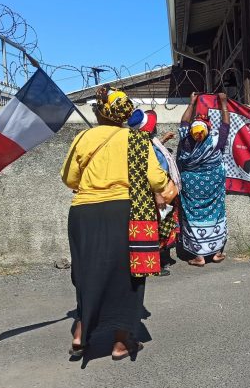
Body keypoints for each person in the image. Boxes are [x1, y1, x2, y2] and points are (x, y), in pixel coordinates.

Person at [61, 86, 174, 360]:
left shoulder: (82, 138)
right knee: (128, 277)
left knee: (87, 274)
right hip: (125, 212)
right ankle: (122, 344)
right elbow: (158, 180)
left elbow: (69, 179)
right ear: (124, 114)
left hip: (84, 213)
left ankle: (81, 333)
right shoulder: (136, 139)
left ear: (99, 112)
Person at [177, 92, 230, 267]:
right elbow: (225, 125)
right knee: (215, 212)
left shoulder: (186, 141)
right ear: (207, 129)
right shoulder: (215, 141)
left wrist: (191, 103)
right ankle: (215, 252)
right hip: (212, 183)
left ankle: (199, 256)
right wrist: (223, 103)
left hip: (191, 185)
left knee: (193, 215)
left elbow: (183, 122)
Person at [128, 108, 180, 276]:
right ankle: (159, 263)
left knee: (164, 225)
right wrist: (157, 194)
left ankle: (160, 261)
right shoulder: (145, 145)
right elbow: (150, 172)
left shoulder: (146, 142)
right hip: (157, 194)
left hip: (162, 192)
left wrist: (162, 140)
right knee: (160, 227)